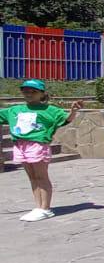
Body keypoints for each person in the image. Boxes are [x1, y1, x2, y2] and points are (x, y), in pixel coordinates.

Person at [1, 79, 82, 222]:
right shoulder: (14, 110)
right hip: (20, 145)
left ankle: (45, 208)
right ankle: (38, 207)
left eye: (34, 91)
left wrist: (73, 111)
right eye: (26, 91)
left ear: (42, 94)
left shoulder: (49, 110)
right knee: (32, 177)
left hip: (37, 145)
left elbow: (66, 119)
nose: (29, 94)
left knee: (41, 177)